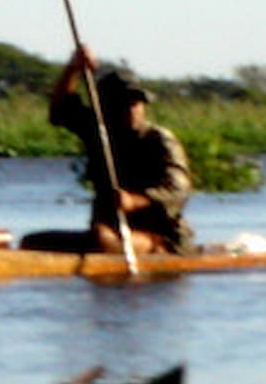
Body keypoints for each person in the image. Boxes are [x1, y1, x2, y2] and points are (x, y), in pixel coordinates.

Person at [22, 44, 195, 256]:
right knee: (31, 242)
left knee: (100, 241)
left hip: (163, 237)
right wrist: (73, 68)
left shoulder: (160, 140)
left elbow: (178, 190)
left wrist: (134, 201)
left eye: (135, 103)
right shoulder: (98, 131)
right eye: (122, 104)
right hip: (109, 231)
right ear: (105, 108)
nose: (131, 110)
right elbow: (60, 110)